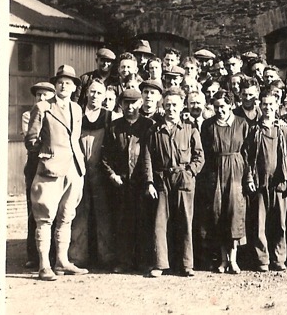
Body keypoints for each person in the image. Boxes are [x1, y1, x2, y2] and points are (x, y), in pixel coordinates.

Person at [25, 65, 88, 281]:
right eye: (60, 81)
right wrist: (46, 152)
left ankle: (62, 261)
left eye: (68, 82)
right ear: (55, 85)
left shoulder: (77, 109)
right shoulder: (43, 107)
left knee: (66, 217)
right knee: (44, 217)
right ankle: (44, 265)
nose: (64, 85)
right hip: (50, 169)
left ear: (73, 87)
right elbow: (31, 141)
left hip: (74, 169)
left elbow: (75, 138)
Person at [140, 87, 205, 277]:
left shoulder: (189, 129)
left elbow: (199, 156)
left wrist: (190, 172)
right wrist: (149, 182)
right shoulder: (154, 130)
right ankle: (160, 264)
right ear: (162, 105)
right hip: (161, 179)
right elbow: (147, 158)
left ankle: (186, 264)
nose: (170, 109)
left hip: (183, 178)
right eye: (167, 105)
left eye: (174, 105)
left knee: (185, 221)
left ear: (182, 106)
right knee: (160, 222)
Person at [100, 88, 155, 273]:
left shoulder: (149, 125)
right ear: (120, 105)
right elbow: (105, 156)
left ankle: (143, 261)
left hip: (142, 183)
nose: (130, 106)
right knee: (123, 223)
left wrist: (149, 180)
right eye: (126, 103)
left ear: (140, 103)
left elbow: (154, 155)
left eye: (133, 102)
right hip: (121, 183)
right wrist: (112, 175)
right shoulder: (114, 127)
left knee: (144, 222)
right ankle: (124, 261)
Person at [197, 89, 251, 274]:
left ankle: (234, 260)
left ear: (231, 106)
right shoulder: (208, 125)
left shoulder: (242, 123)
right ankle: (222, 260)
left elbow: (247, 153)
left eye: (223, 107)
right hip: (215, 171)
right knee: (218, 212)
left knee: (234, 213)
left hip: (236, 170)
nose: (220, 110)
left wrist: (248, 177)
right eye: (216, 107)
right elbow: (203, 152)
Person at [245, 90, 287, 272]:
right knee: (260, 223)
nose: (268, 108)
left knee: (280, 224)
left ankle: (279, 259)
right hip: (261, 182)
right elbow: (248, 157)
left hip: (280, 183)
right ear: (260, 105)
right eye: (264, 104)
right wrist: (250, 178)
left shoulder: (283, 130)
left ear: (277, 106)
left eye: (271, 104)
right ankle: (262, 260)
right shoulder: (254, 130)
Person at [69, 79, 114, 269]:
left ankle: (107, 258)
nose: (95, 96)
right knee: (79, 214)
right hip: (79, 171)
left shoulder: (109, 116)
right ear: (87, 93)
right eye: (92, 92)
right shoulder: (76, 113)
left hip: (100, 173)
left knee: (103, 215)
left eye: (99, 93)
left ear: (104, 96)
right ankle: (77, 258)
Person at [21, 82, 56, 270]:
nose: (42, 99)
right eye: (39, 95)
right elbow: (32, 141)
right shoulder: (29, 115)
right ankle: (33, 256)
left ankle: (51, 254)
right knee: (34, 211)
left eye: (46, 95)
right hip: (35, 166)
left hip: (51, 166)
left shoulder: (55, 115)